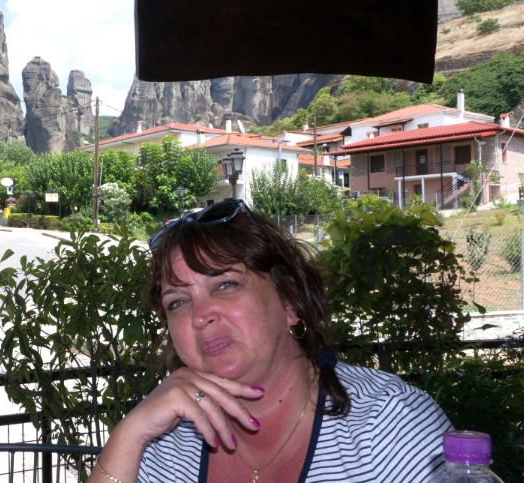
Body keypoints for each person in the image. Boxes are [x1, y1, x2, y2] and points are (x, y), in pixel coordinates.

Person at [90, 199, 453, 483]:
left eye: (226, 284)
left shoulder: (388, 424)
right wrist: (130, 433)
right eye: (178, 302)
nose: (199, 316)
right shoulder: (166, 444)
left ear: (290, 300)